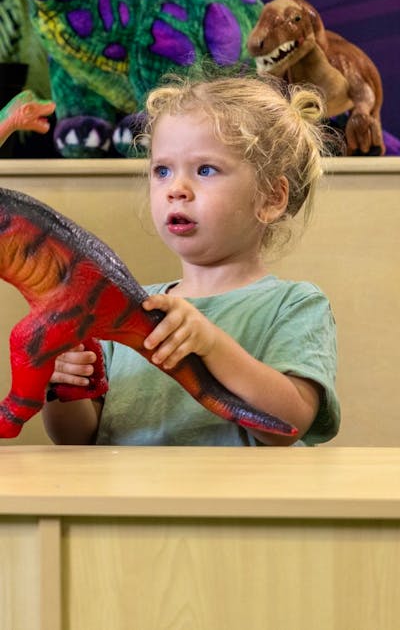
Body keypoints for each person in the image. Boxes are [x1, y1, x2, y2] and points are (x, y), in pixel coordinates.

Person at [42, 76, 340, 447]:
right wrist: (64, 387)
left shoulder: (295, 305)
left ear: (271, 198)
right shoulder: (126, 307)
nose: (176, 189)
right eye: (162, 170)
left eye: (205, 170)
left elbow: (290, 422)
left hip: (239, 489)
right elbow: (78, 437)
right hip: (126, 488)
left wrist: (211, 346)